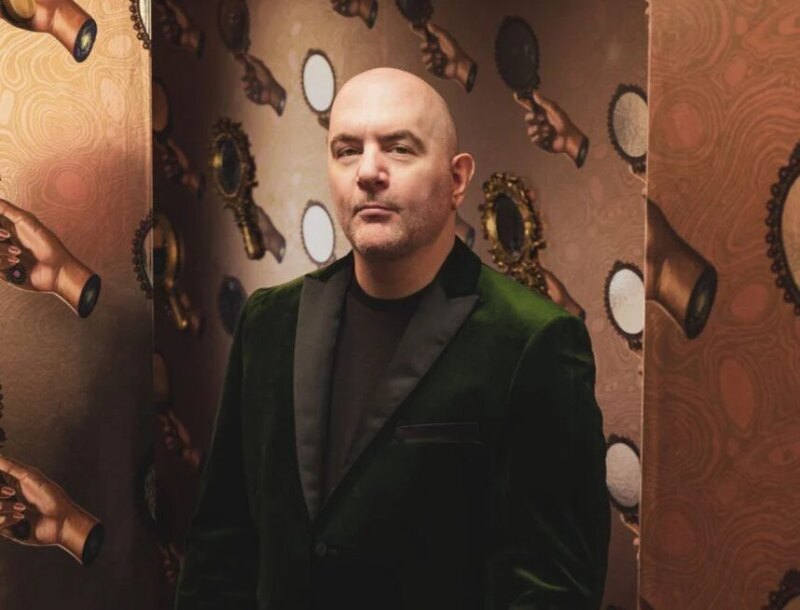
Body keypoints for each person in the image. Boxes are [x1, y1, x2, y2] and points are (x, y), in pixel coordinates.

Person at [175, 67, 609, 610]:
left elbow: (552, 590)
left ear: (457, 179)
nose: (368, 172)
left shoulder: (533, 341)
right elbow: (221, 545)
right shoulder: (270, 322)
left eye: (399, 149)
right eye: (347, 150)